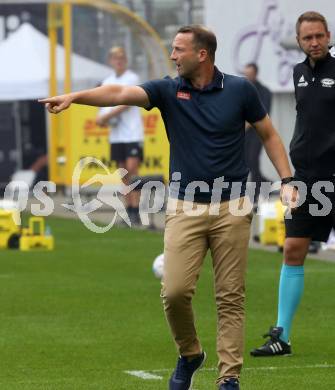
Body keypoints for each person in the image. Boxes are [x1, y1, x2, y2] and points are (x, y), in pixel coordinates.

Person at [39, 25, 295, 390]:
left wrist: (287, 182)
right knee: (174, 292)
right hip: (184, 206)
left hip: (233, 206)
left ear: (201, 54)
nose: (172, 56)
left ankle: (229, 378)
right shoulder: (167, 89)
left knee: (230, 297)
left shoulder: (240, 90)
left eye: (178, 49)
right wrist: (75, 97)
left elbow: (269, 134)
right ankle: (190, 354)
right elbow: (117, 92)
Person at [251, 11, 335, 357]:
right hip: (308, 179)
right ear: (299, 41)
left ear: (329, 35)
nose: (314, 43)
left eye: (319, 36)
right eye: (307, 38)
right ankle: (281, 336)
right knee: (292, 250)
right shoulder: (298, 73)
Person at [96, 46, 144, 225]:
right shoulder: (107, 81)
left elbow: (128, 101)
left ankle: (136, 209)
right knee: (123, 174)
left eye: (122, 58)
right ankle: (129, 210)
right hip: (116, 136)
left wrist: (108, 116)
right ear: (110, 61)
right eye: (116, 58)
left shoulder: (132, 78)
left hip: (132, 133)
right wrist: (102, 119)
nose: (119, 61)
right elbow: (102, 108)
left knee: (133, 170)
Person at [243, 63, 272, 202]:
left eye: (249, 74)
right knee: (247, 162)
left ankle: (255, 195)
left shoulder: (264, 91)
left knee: (253, 161)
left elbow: (262, 114)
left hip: (258, 133)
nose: (247, 77)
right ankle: (267, 183)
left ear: (255, 74)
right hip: (244, 134)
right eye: (245, 74)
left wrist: (246, 125)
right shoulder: (242, 90)